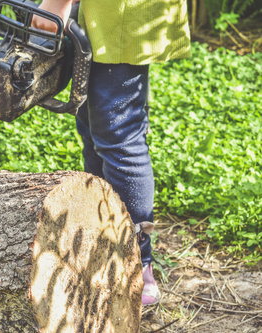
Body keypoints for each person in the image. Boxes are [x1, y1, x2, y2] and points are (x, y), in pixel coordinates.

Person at [33, 0, 191, 306]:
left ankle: (135, 261)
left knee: (119, 137)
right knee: (94, 130)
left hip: (120, 16)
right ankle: (102, 238)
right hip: (101, 14)